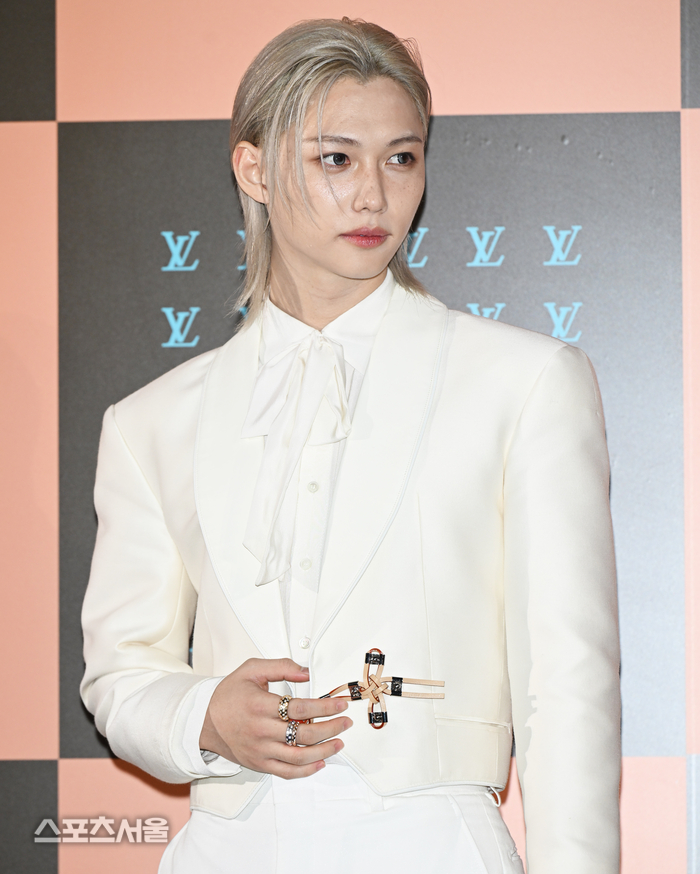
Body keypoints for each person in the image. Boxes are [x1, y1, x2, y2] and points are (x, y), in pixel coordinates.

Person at [80, 17, 621, 874]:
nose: (374, 196)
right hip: (228, 850)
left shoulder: (523, 381)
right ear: (254, 169)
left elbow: (569, 685)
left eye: (401, 158)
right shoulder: (151, 422)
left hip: (436, 846)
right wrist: (203, 717)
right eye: (336, 159)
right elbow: (119, 675)